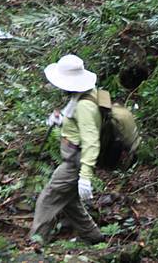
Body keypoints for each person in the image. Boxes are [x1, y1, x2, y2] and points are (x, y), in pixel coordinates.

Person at [29, 54, 104, 245]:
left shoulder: (85, 106)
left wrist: (85, 177)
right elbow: (78, 124)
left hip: (75, 163)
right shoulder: (84, 94)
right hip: (74, 158)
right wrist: (62, 120)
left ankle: (36, 242)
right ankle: (93, 237)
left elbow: (91, 141)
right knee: (69, 202)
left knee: (48, 198)